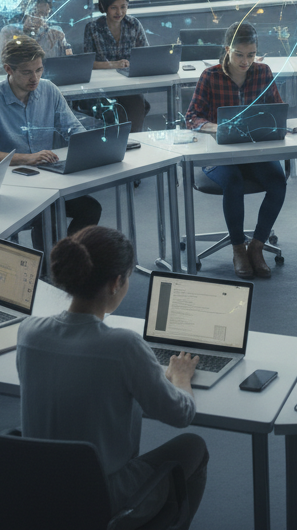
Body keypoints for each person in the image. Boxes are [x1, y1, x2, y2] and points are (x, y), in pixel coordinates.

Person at [18, 226, 208, 530]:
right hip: (103, 498)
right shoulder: (124, 346)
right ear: (117, 282)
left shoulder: (28, 332)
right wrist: (181, 377)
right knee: (194, 446)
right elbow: (180, 413)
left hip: (40, 491)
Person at [0, 34, 102, 236]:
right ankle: (52, 265)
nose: (35, 78)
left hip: (45, 181)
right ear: (8, 69)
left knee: (91, 209)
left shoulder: (48, 90)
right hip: (9, 186)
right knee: (49, 216)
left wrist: (95, 147)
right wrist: (27, 158)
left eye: (39, 70)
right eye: (26, 72)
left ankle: (70, 261)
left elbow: (73, 130)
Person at [184, 20, 288, 279]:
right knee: (233, 182)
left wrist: (272, 123)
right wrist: (216, 127)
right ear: (227, 49)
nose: (245, 61)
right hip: (220, 155)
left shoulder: (263, 72)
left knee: (278, 181)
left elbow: (278, 110)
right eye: (239, 55)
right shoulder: (210, 76)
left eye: (251, 55)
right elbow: (191, 117)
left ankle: (257, 246)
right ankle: (238, 249)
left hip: (253, 152)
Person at [84, 0, 150, 132]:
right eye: (114, 7)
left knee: (137, 108)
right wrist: (114, 64)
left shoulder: (134, 24)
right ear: (104, 6)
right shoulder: (92, 28)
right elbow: (88, 63)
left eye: (123, 7)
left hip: (129, 85)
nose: (119, 12)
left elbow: (146, 55)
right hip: (102, 88)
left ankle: (135, 147)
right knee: (117, 115)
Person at [0, 0, 71, 68]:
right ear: (27, 13)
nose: (42, 19)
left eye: (46, 15)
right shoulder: (9, 32)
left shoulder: (56, 33)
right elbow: (3, 69)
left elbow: (70, 62)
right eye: (39, 14)